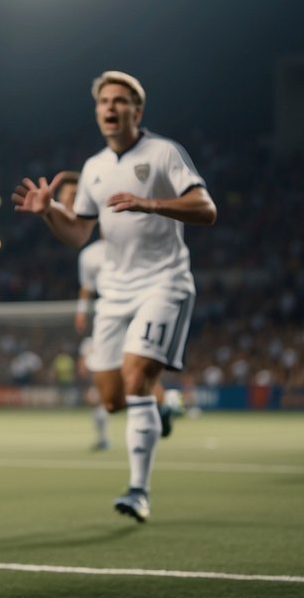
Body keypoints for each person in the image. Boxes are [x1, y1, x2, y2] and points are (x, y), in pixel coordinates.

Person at [12, 71, 216, 523]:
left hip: (164, 283)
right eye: (104, 100)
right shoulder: (94, 168)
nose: (110, 107)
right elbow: (79, 233)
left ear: (136, 111)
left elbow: (207, 209)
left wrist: (152, 203)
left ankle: (138, 490)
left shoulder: (163, 153)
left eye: (120, 100)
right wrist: (50, 213)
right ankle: (163, 409)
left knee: (137, 378)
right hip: (114, 293)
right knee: (111, 399)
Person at [57, 173, 111, 450]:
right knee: (100, 386)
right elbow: (86, 288)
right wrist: (81, 312)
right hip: (107, 317)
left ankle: (163, 403)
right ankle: (103, 436)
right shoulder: (89, 255)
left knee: (139, 378)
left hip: (135, 312)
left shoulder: (131, 247)